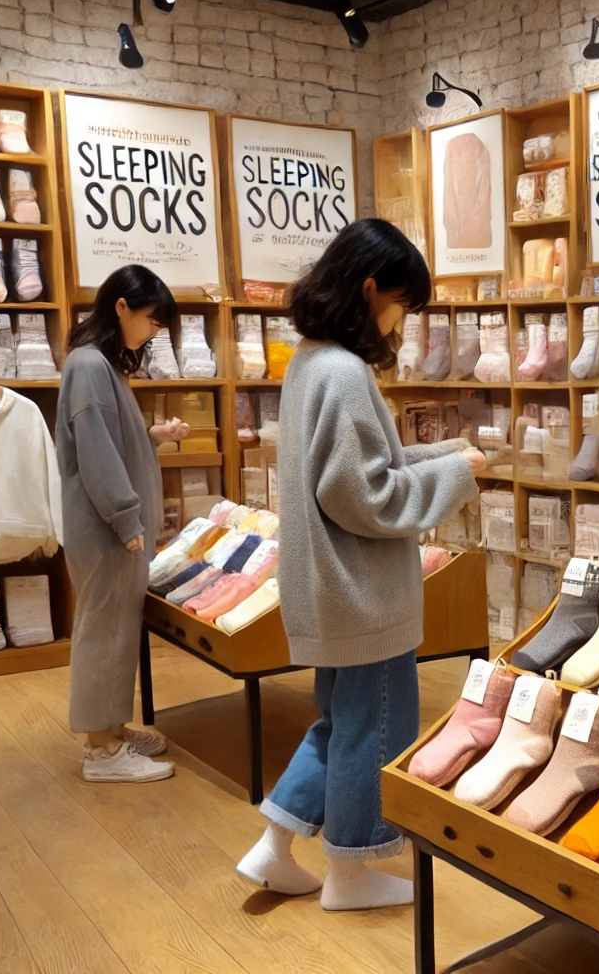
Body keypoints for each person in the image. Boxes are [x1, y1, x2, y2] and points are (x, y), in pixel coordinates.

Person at [237, 218, 484, 910]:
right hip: (362, 594)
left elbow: (356, 470)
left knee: (341, 722)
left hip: (327, 589)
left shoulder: (312, 361)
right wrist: (457, 476)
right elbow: (365, 494)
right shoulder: (344, 374)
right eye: (401, 305)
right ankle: (350, 870)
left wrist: (449, 460)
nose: (402, 324)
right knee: (377, 728)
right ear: (371, 289)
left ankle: (275, 843)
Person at [59, 264, 186, 783]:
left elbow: (111, 444)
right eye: (152, 321)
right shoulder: (90, 365)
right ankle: (100, 751)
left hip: (111, 529)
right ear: (121, 308)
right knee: (103, 631)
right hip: (105, 531)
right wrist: (125, 516)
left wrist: (153, 435)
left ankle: (109, 731)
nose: (153, 332)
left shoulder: (101, 366)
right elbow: (94, 451)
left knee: (113, 630)